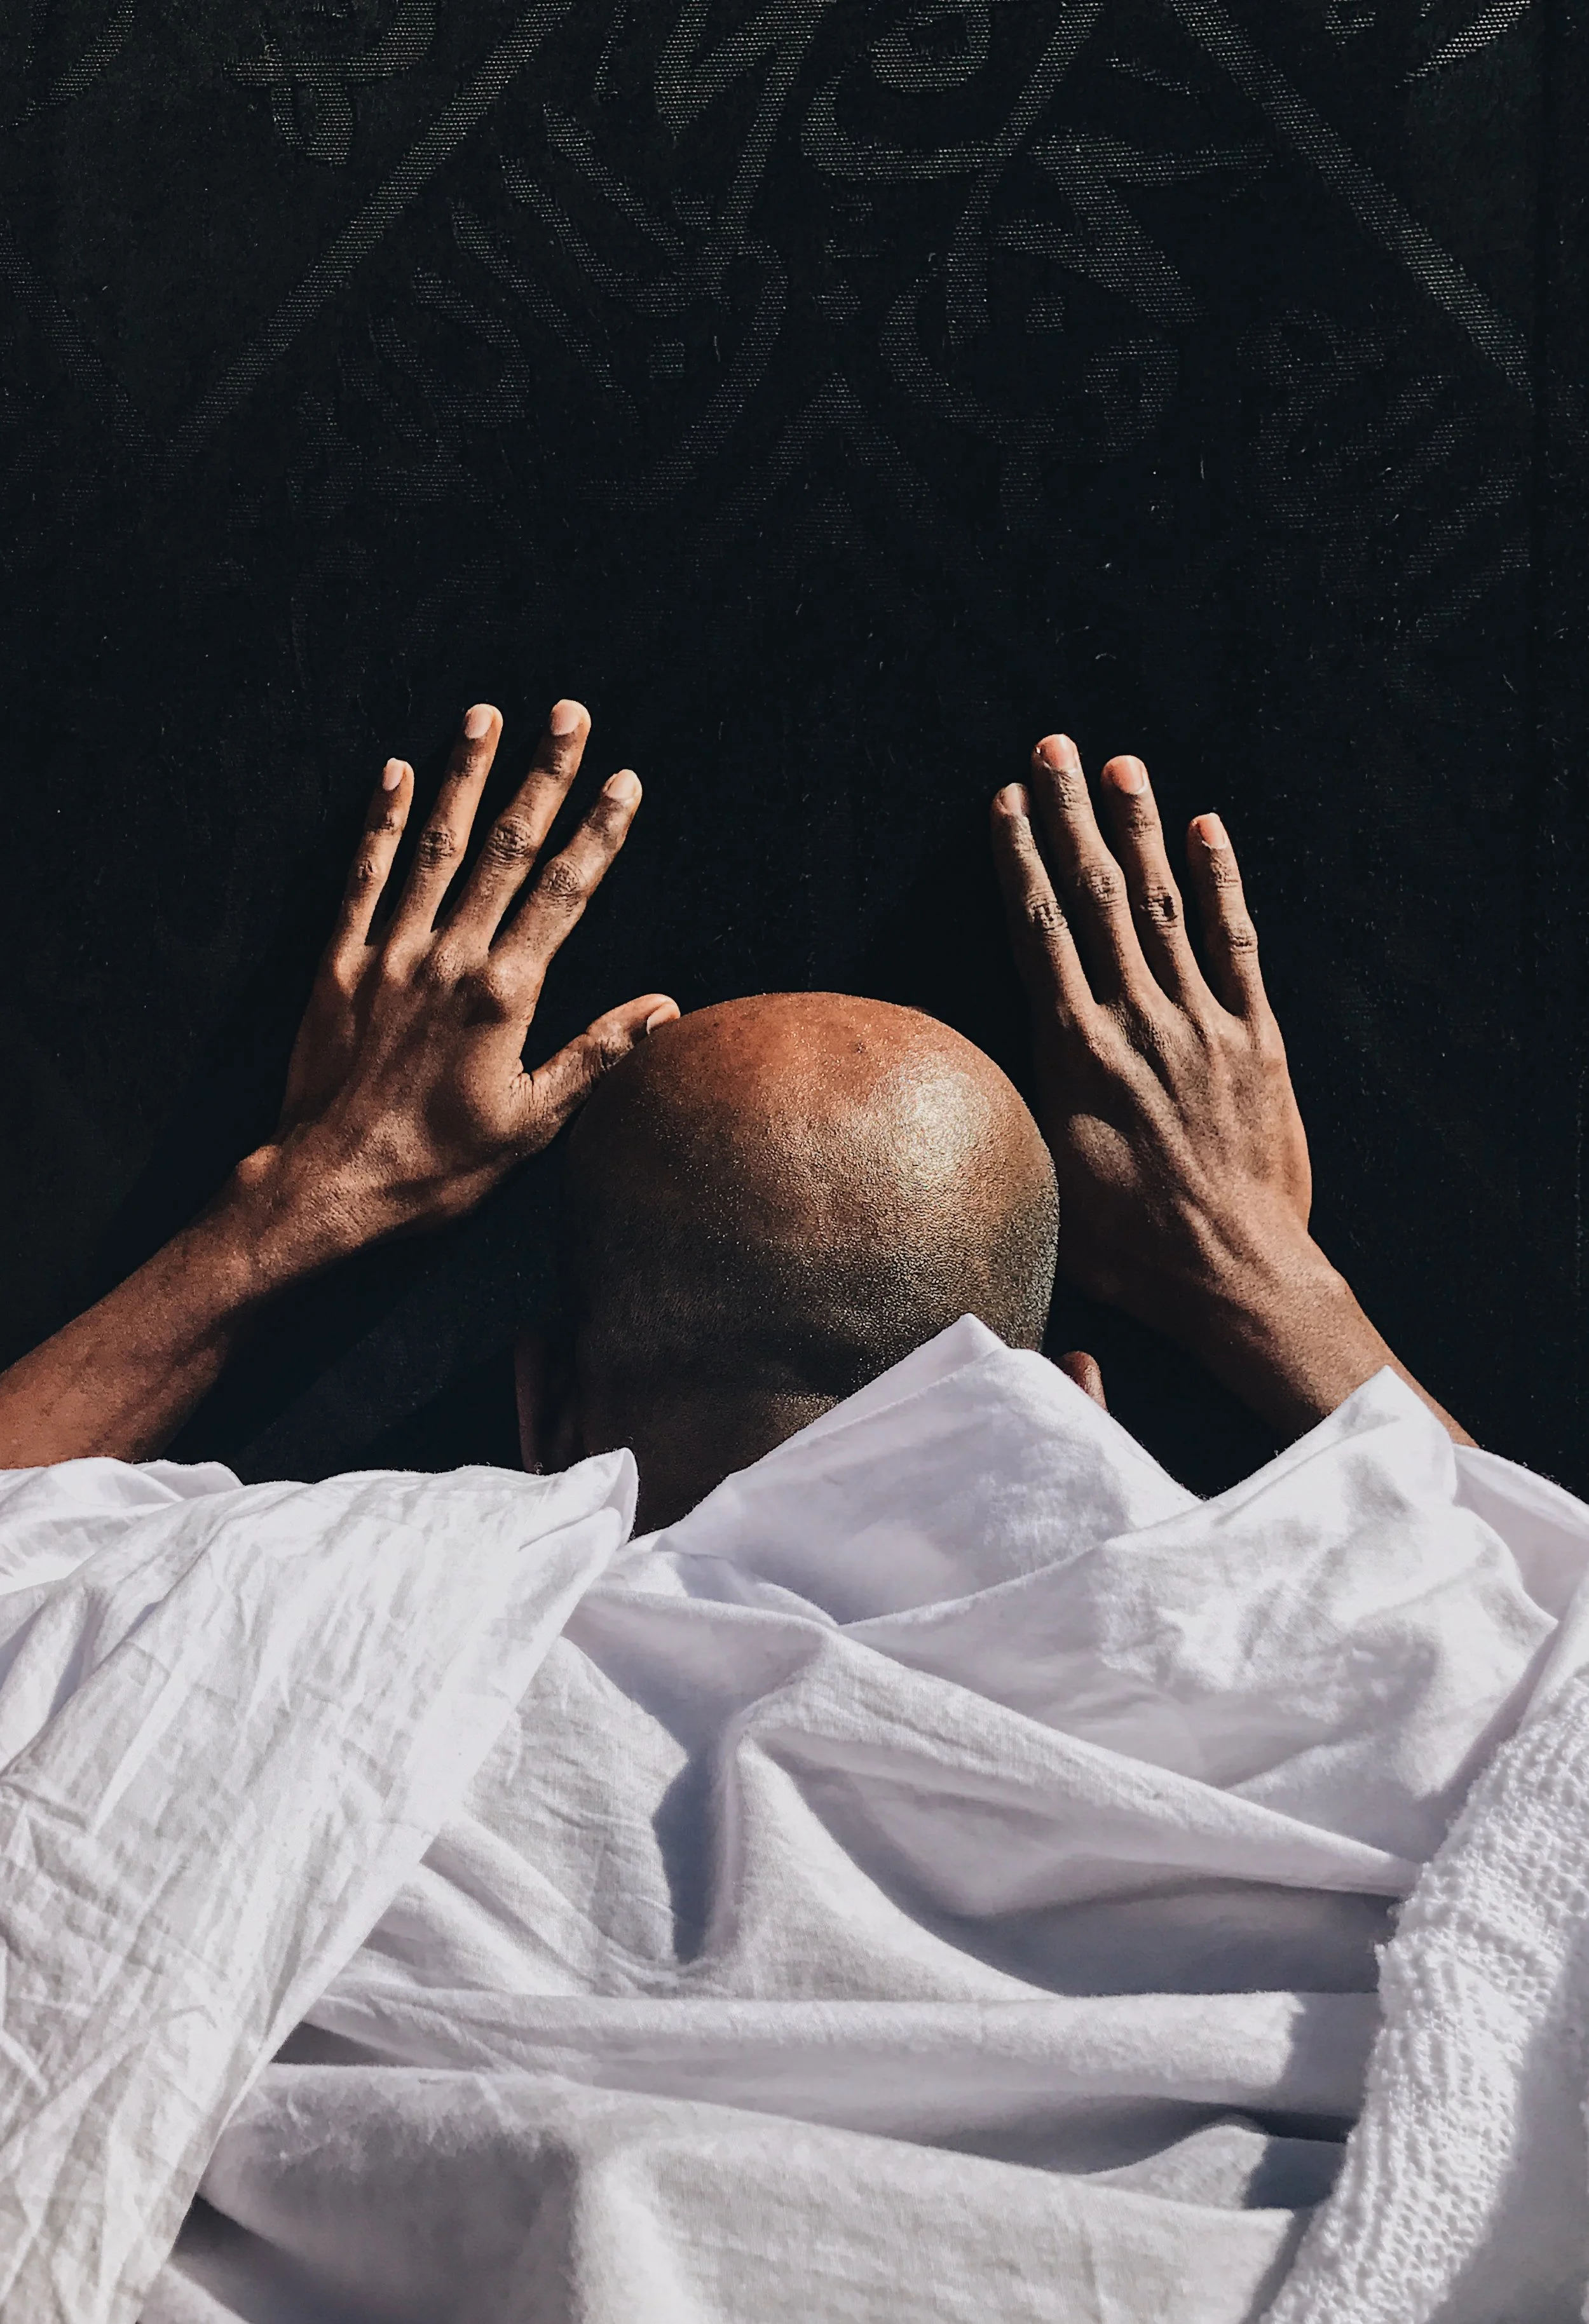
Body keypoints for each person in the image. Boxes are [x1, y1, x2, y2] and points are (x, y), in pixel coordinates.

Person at [0, 695, 1466, 1490]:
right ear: (1075, 1413)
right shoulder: (1253, 1678)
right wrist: (1260, 1268)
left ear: (542, 1413)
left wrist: (308, 1199)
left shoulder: (345, 1670)